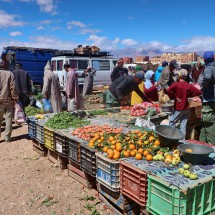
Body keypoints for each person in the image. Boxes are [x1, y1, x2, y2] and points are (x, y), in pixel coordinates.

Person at [166, 69, 202, 137]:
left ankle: (169, 138)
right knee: (183, 125)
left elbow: (168, 90)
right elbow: (199, 92)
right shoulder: (188, 85)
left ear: (179, 76)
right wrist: (189, 95)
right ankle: (182, 141)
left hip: (178, 108)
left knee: (172, 123)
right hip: (186, 108)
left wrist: (175, 97)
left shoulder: (176, 84)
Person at [198, 51, 215, 144]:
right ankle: (202, 143)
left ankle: (212, 147)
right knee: (206, 122)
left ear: (205, 60)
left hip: (209, 98)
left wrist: (203, 85)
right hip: (212, 98)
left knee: (209, 123)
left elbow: (208, 77)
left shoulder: (209, 68)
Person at [0, 59, 18, 142]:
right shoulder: (9, 74)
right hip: (8, 100)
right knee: (8, 119)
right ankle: (7, 138)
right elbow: (13, 88)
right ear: (4, 65)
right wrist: (15, 99)